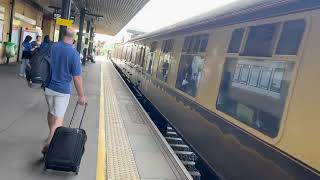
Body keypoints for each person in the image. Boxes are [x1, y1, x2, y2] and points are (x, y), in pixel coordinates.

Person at [42, 28, 86, 155]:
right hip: (62, 91)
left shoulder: (52, 47)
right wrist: (81, 95)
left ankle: (51, 134)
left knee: (51, 112)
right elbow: (77, 77)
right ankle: (50, 144)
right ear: (73, 39)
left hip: (48, 87)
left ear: (62, 36)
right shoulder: (74, 54)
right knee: (59, 118)